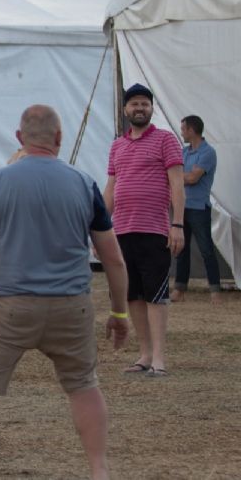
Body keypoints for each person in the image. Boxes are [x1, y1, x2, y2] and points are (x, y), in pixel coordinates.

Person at [0, 105, 130, 480]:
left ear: (19, 138)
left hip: (9, 305)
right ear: (59, 138)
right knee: (84, 387)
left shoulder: (0, 181)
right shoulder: (85, 183)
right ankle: (100, 470)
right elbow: (113, 258)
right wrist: (119, 313)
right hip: (72, 306)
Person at [104, 83, 184, 378]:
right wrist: (98, 224)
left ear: (151, 108)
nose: (139, 108)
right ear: (126, 110)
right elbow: (111, 189)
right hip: (122, 230)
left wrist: (177, 224)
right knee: (133, 295)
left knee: (156, 295)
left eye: (144, 104)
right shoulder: (117, 146)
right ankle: (145, 354)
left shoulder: (166, 140)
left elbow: (177, 184)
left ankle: (160, 359)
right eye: (134, 104)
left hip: (155, 230)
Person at [172, 115, 221, 304]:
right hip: (182, 206)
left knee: (206, 249)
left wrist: (177, 176)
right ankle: (179, 289)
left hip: (199, 208)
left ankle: (215, 291)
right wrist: (180, 176)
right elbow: (181, 175)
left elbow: (193, 178)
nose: (182, 132)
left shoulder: (208, 152)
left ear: (192, 130)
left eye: (183, 129)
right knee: (181, 250)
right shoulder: (184, 152)